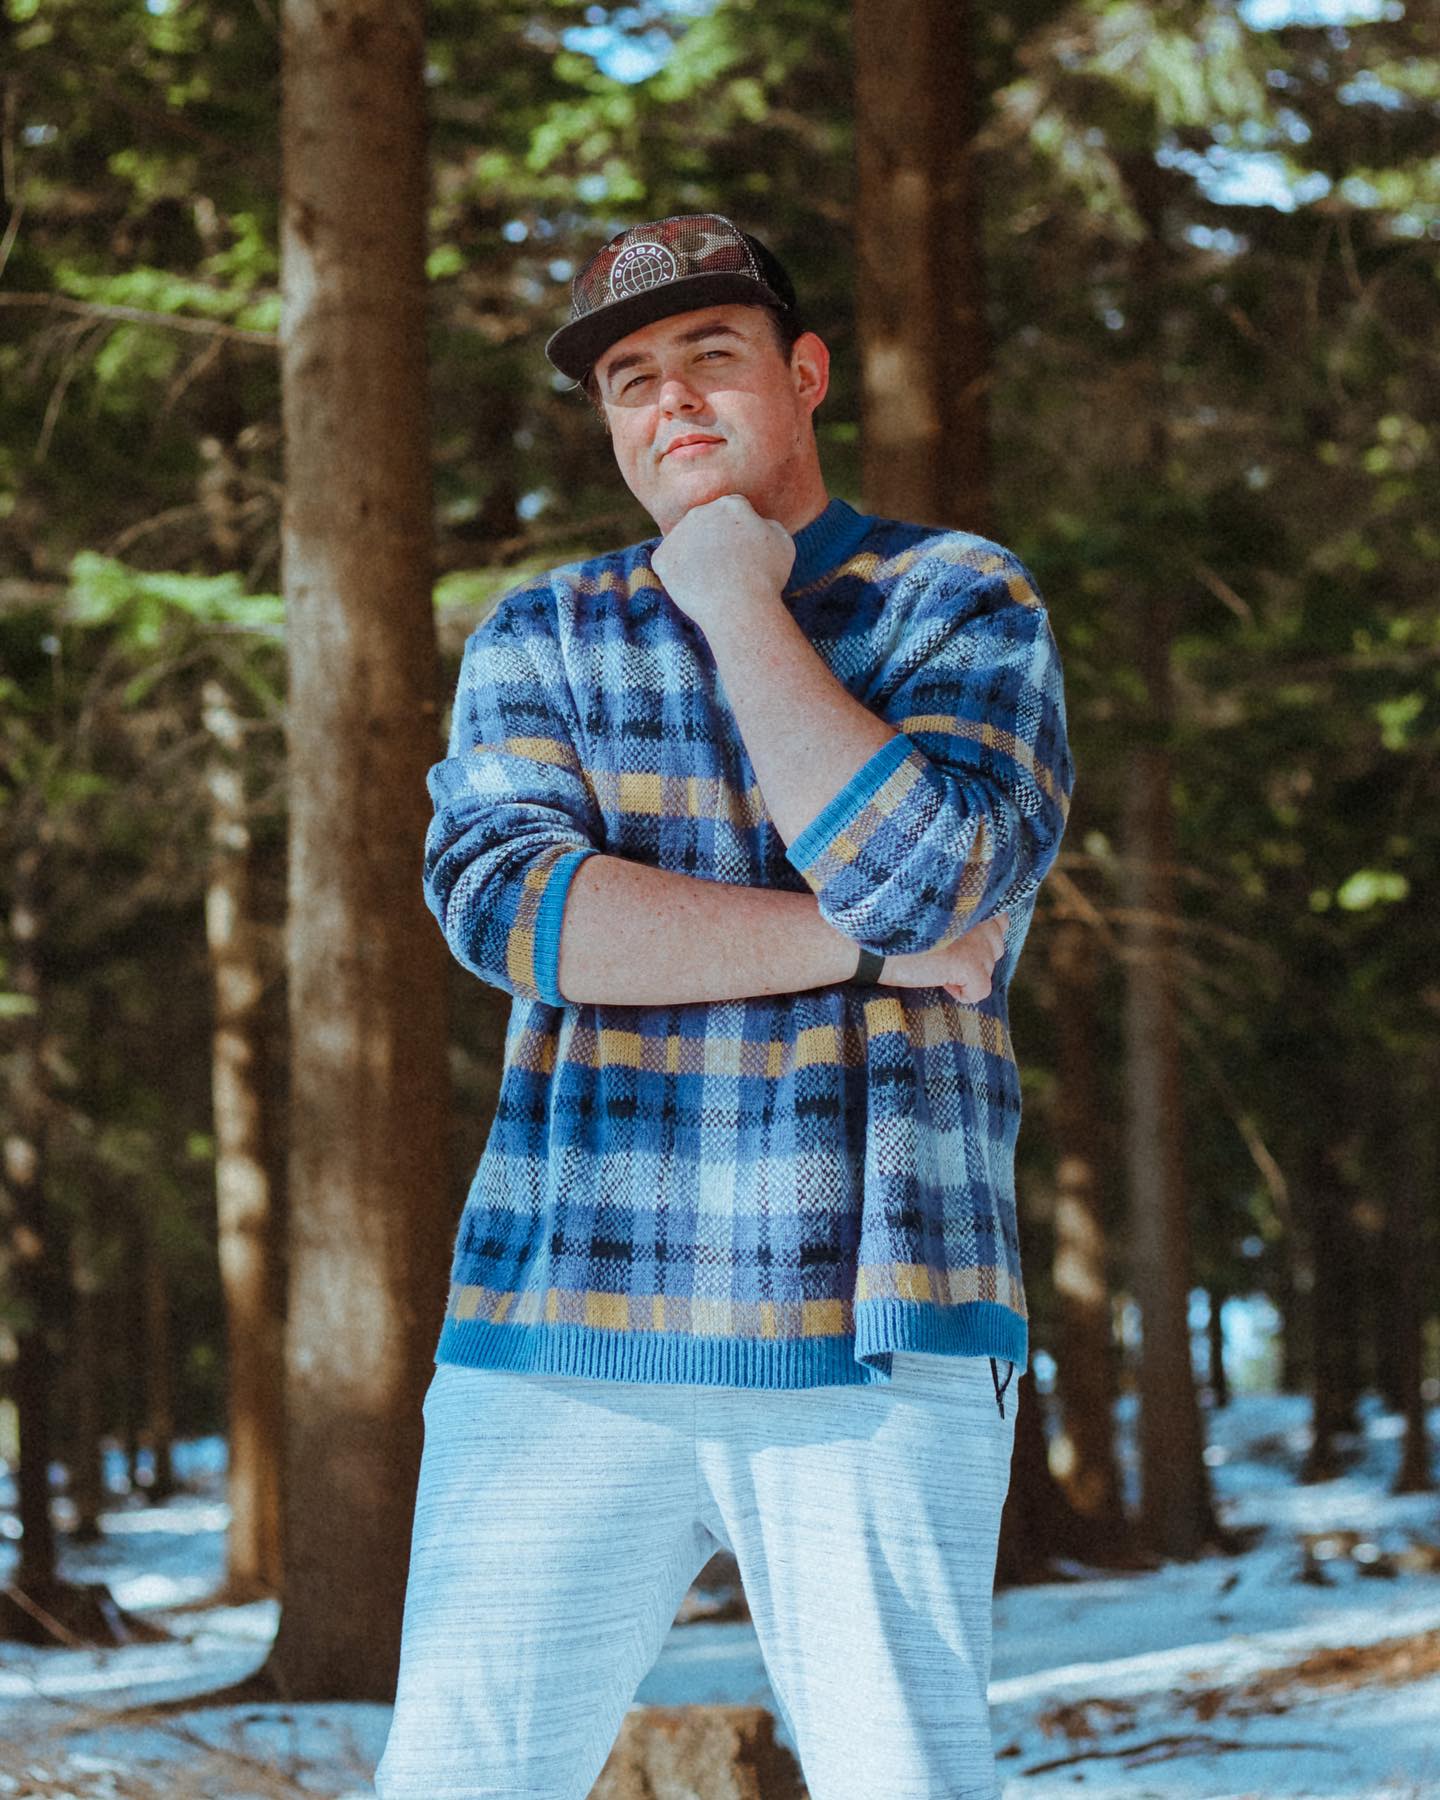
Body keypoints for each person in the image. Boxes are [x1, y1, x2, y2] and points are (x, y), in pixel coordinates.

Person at [373, 213, 1074, 1800]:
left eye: (712, 355)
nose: (672, 400)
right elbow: (512, 914)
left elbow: (927, 878)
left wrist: (739, 602)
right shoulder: (543, 632)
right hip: (560, 1322)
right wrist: (867, 952)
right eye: (631, 379)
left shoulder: (958, 598)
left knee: (905, 1779)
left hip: (881, 1327)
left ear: (806, 373)